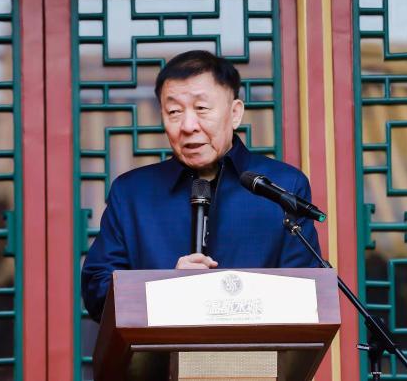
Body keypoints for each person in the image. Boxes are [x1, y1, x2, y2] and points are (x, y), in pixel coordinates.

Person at [81, 50, 322, 321]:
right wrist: (167, 289)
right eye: (174, 112)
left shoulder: (284, 185)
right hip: (159, 349)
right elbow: (96, 290)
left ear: (235, 113)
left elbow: (305, 294)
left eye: (202, 108)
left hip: (258, 347)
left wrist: (226, 299)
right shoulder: (132, 194)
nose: (188, 126)